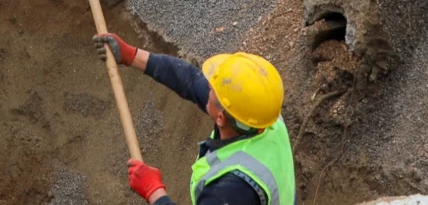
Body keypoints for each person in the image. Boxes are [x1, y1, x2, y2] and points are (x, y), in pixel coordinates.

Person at [93, 32, 295, 205]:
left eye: (213, 90)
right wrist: (132, 55)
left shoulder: (229, 189)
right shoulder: (264, 117)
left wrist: (153, 190)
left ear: (221, 117)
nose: (207, 87)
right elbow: (190, 80)